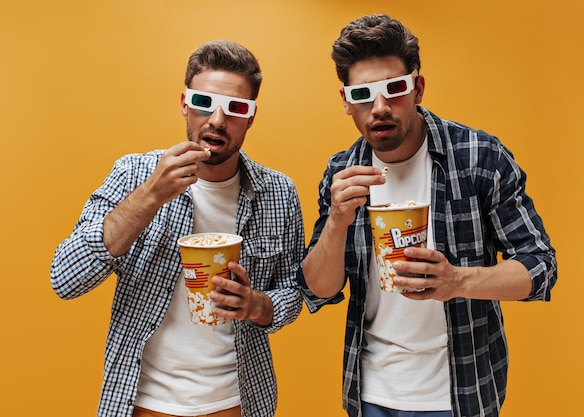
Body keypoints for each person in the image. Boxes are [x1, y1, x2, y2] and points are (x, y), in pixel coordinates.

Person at [298, 14, 557, 417]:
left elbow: (541, 267)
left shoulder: (479, 158)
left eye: (394, 89)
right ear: (346, 101)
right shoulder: (340, 172)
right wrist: (336, 222)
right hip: (371, 393)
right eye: (363, 94)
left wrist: (457, 280)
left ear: (418, 88)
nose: (380, 107)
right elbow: (319, 290)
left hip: (462, 392)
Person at [51, 40, 305, 417]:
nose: (217, 121)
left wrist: (256, 305)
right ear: (185, 104)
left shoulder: (278, 193)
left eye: (235, 109)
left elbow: (293, 293)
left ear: (251, 117)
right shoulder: (134, 174)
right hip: (142, 402)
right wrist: (151, 195)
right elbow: (65, 279)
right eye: (204, 103)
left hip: (237, 402)